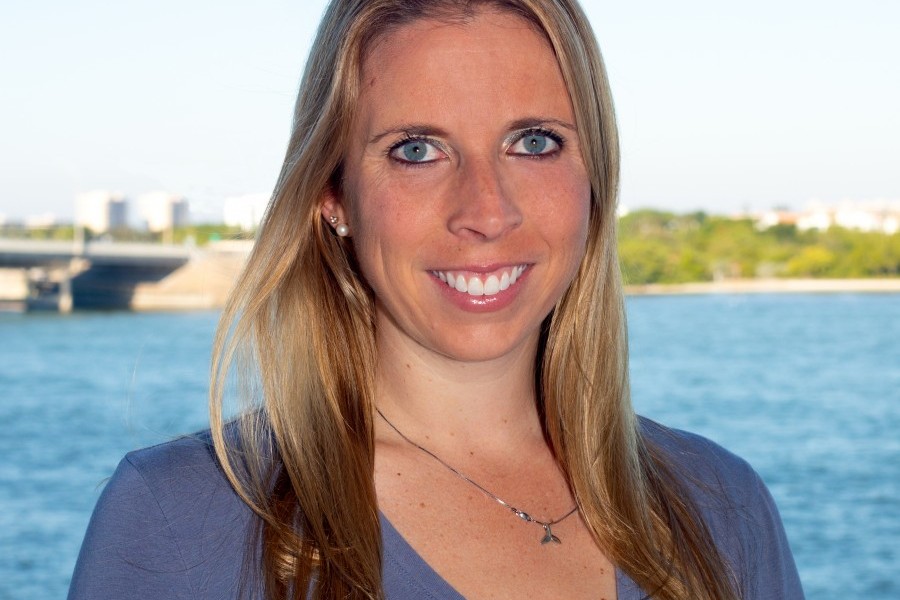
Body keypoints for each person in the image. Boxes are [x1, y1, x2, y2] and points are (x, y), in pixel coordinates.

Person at [68, 1, 804, 598]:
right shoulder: (181, 520)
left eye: (535, 142)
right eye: (417, 150)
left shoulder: (720, 507)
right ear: (332, 194)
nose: (486, 211)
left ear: (595, 179)